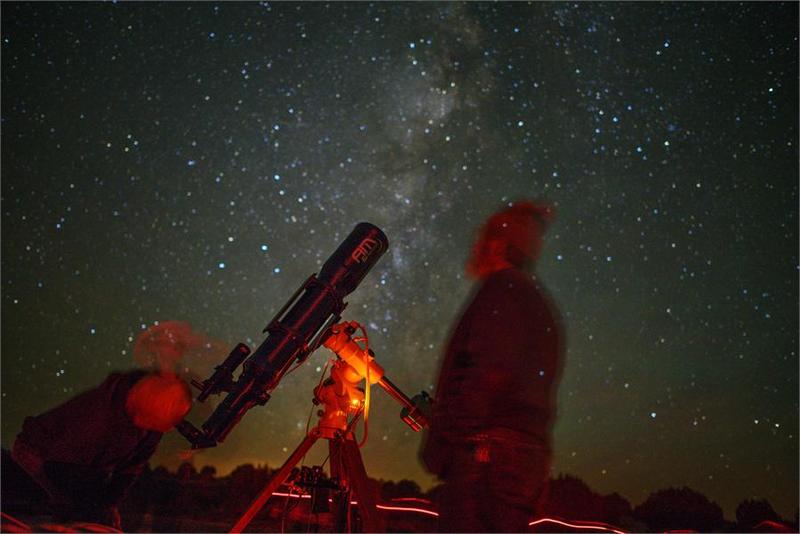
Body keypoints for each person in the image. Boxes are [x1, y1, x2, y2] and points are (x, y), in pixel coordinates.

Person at [421, 200, 565, 532]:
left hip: (485, 460)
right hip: (518, 463)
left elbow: (488, 373)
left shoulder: (503, 289)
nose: (476, 247)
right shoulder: (536, 300)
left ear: (497, 244)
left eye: (482, 239)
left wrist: (447, 441)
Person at [10, 370, 192, 529]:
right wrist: (92, 510)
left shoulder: (152, 420)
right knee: (74, 517)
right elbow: (66, 472)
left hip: (81, 466)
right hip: (38, 458)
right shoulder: (96, 420)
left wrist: (110, 503)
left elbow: (132, 466)